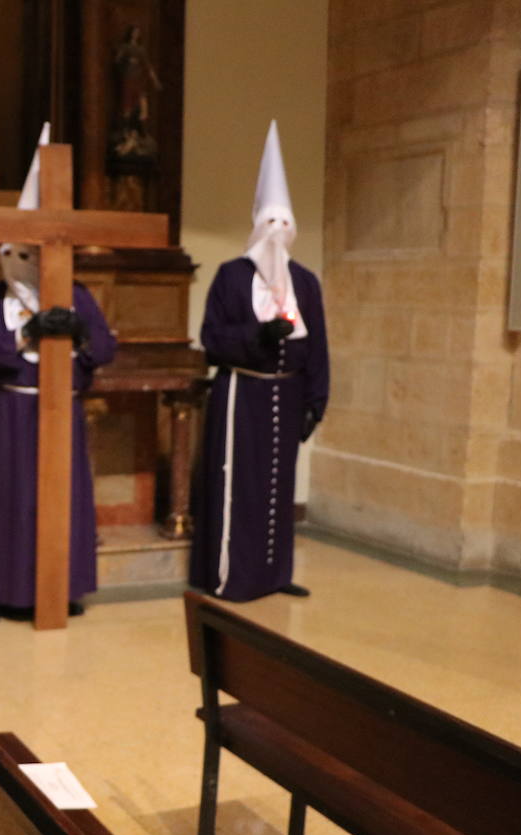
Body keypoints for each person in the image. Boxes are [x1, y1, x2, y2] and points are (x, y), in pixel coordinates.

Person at [0, 124, 117, 624]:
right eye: (17, 254)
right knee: (6, 500)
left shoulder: (78, 294)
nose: (24, 264)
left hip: (60, 410)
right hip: (8, 410)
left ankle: (60, 588)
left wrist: (79, 334)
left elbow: (107, 348)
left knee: (59, 500)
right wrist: (26, 338)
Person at [189, 121, 331, 602]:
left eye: (284, 224)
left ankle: (274, 573)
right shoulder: (231, 278)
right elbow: (211, 339)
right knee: (241, 484)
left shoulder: (305, 282)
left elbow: (320, 345)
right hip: (242, 394)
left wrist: (316, 401)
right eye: (269, 223)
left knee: (277, 486)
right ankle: (232, 574)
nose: (277, 234)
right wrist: (258, 335)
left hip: (287, 394)